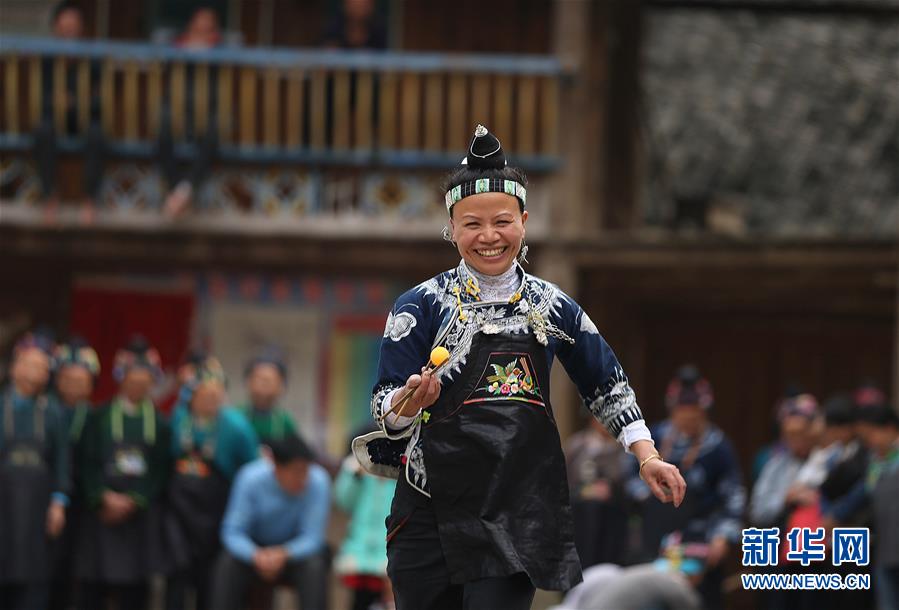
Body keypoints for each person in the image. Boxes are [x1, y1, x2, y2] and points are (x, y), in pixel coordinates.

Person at [357, 125, 685, 610]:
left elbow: (605, 382)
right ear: (451, 227)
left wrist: (647, 455)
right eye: (472, 224)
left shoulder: (553, 306)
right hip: (429, 510)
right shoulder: (420, 306)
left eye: (502, 221)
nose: (489, 236)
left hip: (516, 511)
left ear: (524, 222)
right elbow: (385, 406)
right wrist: (409, 402)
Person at [625, 365, 744, 609]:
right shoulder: (652, 438)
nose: (688, 419)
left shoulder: (719, 448)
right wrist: (650, 493)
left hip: (700, 540)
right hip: (655, 539)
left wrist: (722, 536)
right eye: (682, 413)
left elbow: (734, 497)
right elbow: (628, 477)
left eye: (694, 414)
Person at [77, 335, 171, 610]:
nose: (138, 385)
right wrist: (102, 496)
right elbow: (86, 461)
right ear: (121, 379)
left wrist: (136, 499)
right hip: (102, 512)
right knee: (94, 586)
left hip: (139, 514)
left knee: (136, 590)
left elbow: (161, 468)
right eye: (133, 379)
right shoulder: (99, 416)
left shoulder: (160, 423)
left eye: (144, 381)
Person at [164, 354, 258, 610]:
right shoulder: (178, 419)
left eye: (216, 394)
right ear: (191, 396)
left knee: (210, 581)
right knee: (177, 576)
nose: (210, 399)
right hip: (180, 513)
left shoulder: (237, 427)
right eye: (204, 394)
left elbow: (252, 471)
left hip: (216, 511)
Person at [210, 434, 330, 610]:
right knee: (226, 564)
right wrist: (255, 555)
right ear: (276, 467)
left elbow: (313, 537)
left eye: (306, 471)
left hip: (293, 553)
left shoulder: (319, 481)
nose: (303, 479)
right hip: (254, 550)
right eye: (296, 471)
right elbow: (232, 531)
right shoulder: (250, 478)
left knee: (315, 566)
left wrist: (283, 554)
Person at [0, 333, 70, 610]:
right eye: (29, 364)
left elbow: (62, 460)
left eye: (42, 367)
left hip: (38, 508)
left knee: (35, 580)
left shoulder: (53, 412)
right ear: (14, 367)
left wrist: (59, 502)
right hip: (4, 504)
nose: (35, 372)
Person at [34, 2, 104, 224]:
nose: (69, 33)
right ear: (56, 29)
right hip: (54, 118)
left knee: (96, 133)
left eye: (73, 28)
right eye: (65, 28)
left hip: (84, 118)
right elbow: (42, 98)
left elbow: (100, 100)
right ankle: (49, 197)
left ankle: (89, 200)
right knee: (43, 130)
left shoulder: (92, 59)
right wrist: (57, 101)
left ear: (81, 29)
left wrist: (78, 102)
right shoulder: (47, 60)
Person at [48, 337, 100, 610]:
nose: (73, 385)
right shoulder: (48, 410)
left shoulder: (94, 416)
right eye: (68, 378)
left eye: (81, 380)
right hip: (50, 499)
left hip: (84, 503)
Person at [158, 6, 222, 219]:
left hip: (209, 110)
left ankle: (182, 192)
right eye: (198, 27)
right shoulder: (177, 46)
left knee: (213, 132)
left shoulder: (220, 50)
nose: (202, 31)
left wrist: (207, 51)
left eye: (207, 28)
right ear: (191, 27)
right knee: (162, 127)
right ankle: (179, 191)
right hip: (178, 108)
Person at [335, 428, 397, 610]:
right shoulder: (356, 471)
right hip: (360, 548)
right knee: (360, 597)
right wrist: (355, 476)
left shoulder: (399, 470)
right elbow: (343, 501)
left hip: (391, 546)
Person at [564, 417, 630, 569]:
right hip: (578, 504)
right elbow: (563, 476)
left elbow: (625, 481)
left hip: (611, 508)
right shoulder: (577, 444)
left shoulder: (623, 446)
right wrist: (583, 491)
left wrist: (610, 488)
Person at [238, 349, 299, 443]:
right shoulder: (236, 417)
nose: (264, 384)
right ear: (248, 382)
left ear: (282, 386)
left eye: (270, 380)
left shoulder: (285, 422)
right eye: (259, 378)